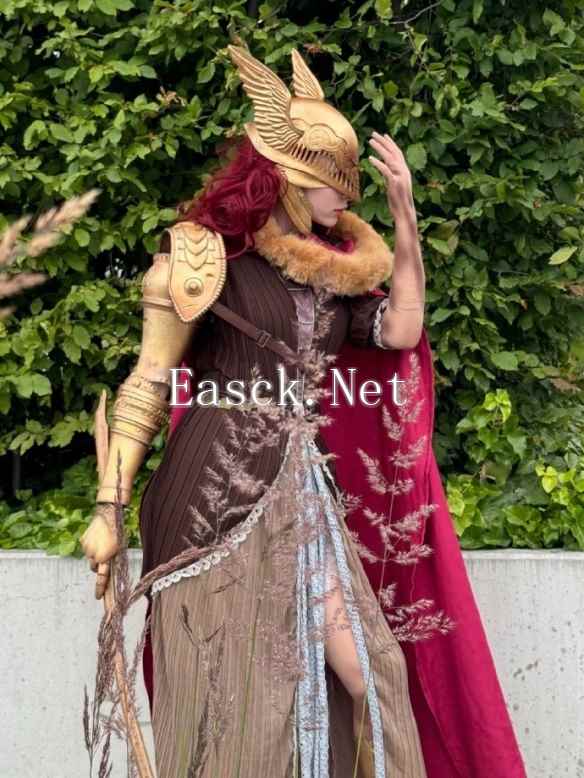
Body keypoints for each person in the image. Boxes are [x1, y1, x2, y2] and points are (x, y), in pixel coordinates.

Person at [80, 44, 526, 778]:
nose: (346, 199)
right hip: (210, 502)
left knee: (370, 672)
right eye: (334, 184)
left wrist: (405, 222)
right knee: (238, 706)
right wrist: (109, 506)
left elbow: (400, 331)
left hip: (305, 497)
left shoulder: (330, 274)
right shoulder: (202, 258)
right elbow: (149, 382)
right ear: (290, 175)